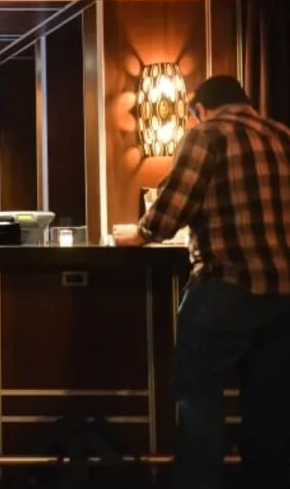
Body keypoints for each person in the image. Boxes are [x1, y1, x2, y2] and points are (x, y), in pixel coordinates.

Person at [114, 75, 290, 489]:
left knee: (198, 397)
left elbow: (170, 211)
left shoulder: (207, 135)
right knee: (271, 404)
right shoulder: (282, 135)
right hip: (284, 294)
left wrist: (139, 233)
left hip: (227, 284)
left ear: (198, 109)